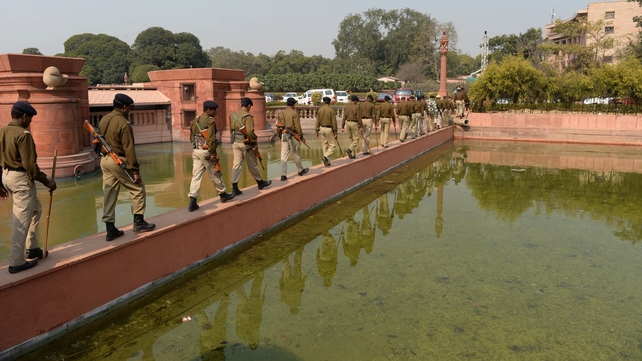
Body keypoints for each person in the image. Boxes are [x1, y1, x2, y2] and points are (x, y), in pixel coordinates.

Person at [0, 101, 57, 274]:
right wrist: (47, 181)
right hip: (21, 179)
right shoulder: (23, 135)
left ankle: (32, 248)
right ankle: (16, 262)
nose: (30, 121)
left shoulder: (3, 132)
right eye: (30, 117)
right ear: (24, 116)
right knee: (21, 220)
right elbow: (30, 166)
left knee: (35, 209)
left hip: (7, 176)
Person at [99, 94, 155, 241]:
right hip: (118, 160)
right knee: (137, 189)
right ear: (124, 107)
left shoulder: (104, 119)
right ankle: (139, 222)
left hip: (105, 160)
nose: (129, 110)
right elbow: (129, 148)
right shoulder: (124, 123)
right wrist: (135, 171)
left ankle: (110, 229)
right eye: (129, 107)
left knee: (109, 193)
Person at [187, 100, 235, 212]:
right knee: (215, 173)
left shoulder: (195, 120)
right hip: (206, 151)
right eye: (214, 110)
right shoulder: (210, 121)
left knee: (196, 176)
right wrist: (212, 153)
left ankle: (192, 200)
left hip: (196, 151)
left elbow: (191, 137)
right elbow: (211, 139)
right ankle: (223, 195)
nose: (215, 112)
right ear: (208, 110)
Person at [229, 97, 271, 193]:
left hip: (235, 143)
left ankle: (234, 187)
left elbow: (231, 130)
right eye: (250, 106)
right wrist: (254, 143)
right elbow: (250, 132)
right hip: (246, 144)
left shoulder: (233, 116)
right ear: (248, 106)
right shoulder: (248, 117)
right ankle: (260, 183)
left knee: (236, 165)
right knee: (252, 164)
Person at [278, 98, 308, 181]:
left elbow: (278, 127)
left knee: (283, 156)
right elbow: (297, 127)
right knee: (295, 154)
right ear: (293, 105)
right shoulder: (294, 113)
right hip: (293, 135)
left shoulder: (281, 113)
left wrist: (280, 136)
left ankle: (283, 175)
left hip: (284, 135)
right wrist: (301, 136)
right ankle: (300, 170)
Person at [315, 96, 337, 166]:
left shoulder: (320, 110)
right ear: (329, 102)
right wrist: (335, 132)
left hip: (322, 128)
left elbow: (317, 121)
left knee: (324, 145)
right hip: (329, 129)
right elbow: (334, 122)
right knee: (332, 145)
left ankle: (327, 161)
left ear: (323, 102)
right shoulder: (331, 110)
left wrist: (316, 130)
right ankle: (325, 157)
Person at [341, 95, 362, 159]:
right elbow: (358, 117)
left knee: (350, 139)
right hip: (354, 123)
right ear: (355, 101)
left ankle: (353, 154)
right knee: (356, 139)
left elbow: (344, 117)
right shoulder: (357, 107)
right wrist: (360, 126)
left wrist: (342, 126)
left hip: (347, 123)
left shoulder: (347, 107)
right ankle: (350, 149)